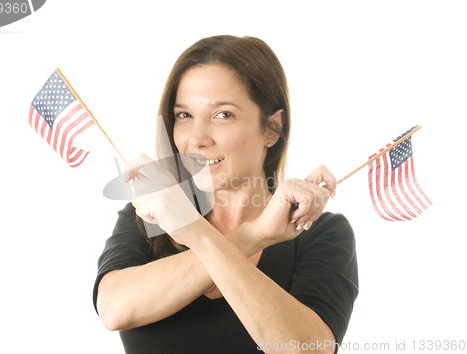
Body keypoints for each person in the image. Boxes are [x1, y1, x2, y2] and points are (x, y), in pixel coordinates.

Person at [93, 35, 358, 354]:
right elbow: (114, 308)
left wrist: (196, 232)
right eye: (184, 115)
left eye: (223, 115)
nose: (197, 139)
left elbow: (307, 350)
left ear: (272, 128)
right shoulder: (149, 214)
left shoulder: (320, 233)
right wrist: (254, 235)